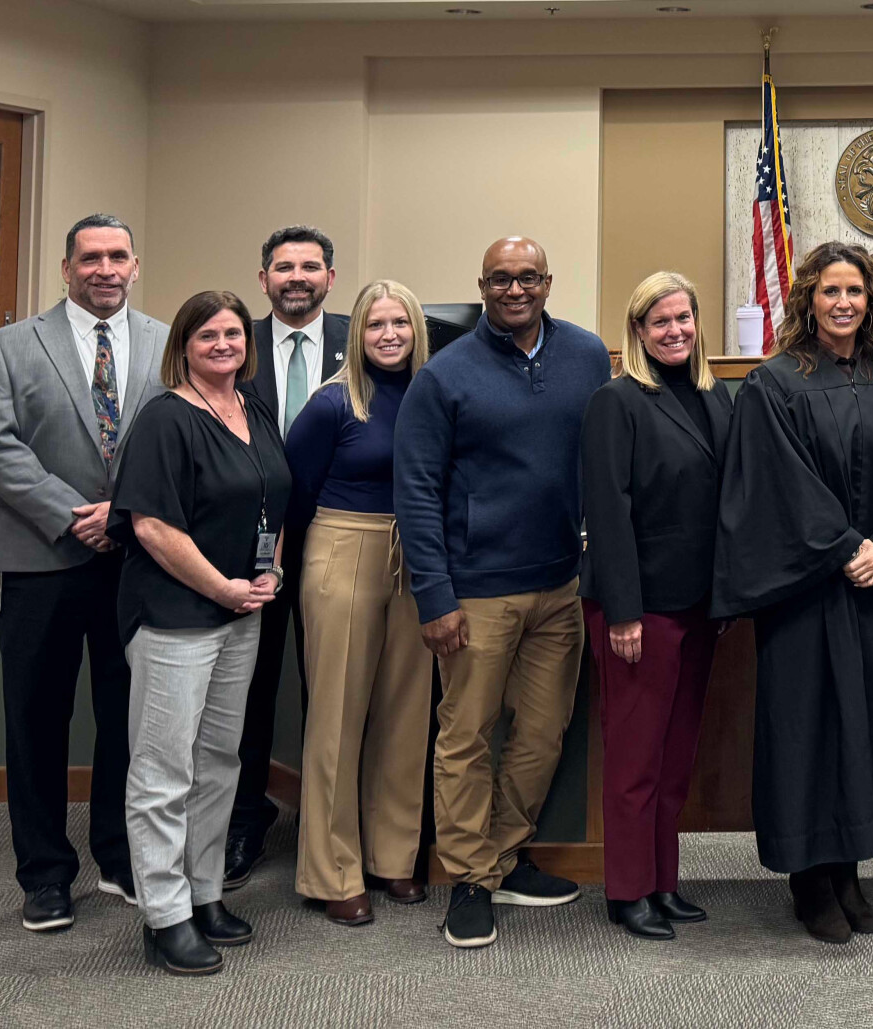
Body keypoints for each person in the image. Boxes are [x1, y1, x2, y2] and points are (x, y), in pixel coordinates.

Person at [712, 241, 873, 945]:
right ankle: (808, 879)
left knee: (863, 726)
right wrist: (845, 547)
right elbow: (777, 487)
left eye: (856, 291)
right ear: (807, 299)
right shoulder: (774, 384)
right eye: (830, 290)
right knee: (809, 729)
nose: (844, 303)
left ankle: (847, 866)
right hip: (807, 589)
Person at [394, 236, 610, 949]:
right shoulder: (445, 374)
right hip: (475, 590)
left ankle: (502, 854)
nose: (514, 289)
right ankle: (466, 879)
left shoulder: (585, 355)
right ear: (481, 285)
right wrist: (434, 596)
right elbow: (417, 491)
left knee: (543, 734)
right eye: (500, 279)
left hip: (558, 583)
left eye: (528, 277)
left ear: (549, 281)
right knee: (466, 738)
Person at [0, 213, 166, 932]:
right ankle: (46, 874)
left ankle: (118, 857)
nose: (104, 269)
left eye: (118, 256)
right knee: (35, 720)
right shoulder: (11, 345)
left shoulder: (167, 341)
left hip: (134, 560)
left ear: (135, 265)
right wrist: (74, 512)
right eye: (90, 257)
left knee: (126, 717)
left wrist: (122, 513)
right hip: (38, 557)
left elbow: (177, 437)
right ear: (66, 268)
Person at [109, 290, 290, 975]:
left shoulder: (255, 408)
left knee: (219, 761)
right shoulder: (164, 419)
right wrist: (222, 587)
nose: (224, 344)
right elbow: (153, 525)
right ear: (183, 343)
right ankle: (164, 913)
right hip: (175, 615)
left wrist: (271, 572)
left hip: (243, 609)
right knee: (163, 770)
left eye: (234, 334)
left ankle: (205, 891)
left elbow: (276, 496)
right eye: (208, 334)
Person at [582, 272, 734, 941]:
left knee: (676, 758)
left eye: (683, 318)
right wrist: (622, 610)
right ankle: (627, 889)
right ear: (638, 331)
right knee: (635, 758)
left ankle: (665, 880)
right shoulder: (617, 402)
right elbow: (607, 511)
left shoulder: (715, 396)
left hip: (700, 603)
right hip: (638, 609)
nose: (674, 331)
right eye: (659, 321)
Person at [287, 280, 433, 925]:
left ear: (417, 329)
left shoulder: (433, 395)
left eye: (399, 323)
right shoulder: (330, 403)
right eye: (375, 325)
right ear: (357, 334)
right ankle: (332, 869)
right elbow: (293, 495)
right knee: (338, 717)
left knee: (407, 711)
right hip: (343, 548)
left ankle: (392, 858)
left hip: (418, 555)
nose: (389, 335)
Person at [226, 225, 351, 888]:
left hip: (343, 539)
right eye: (282, 267)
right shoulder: (230, 338)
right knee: (251, 689)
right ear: (263, 277)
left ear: (331, 277)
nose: (295, 277)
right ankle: (244, 823)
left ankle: (333, 827)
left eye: (309, 266)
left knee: (337, 688)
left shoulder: (363, 337)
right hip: (253, 546)